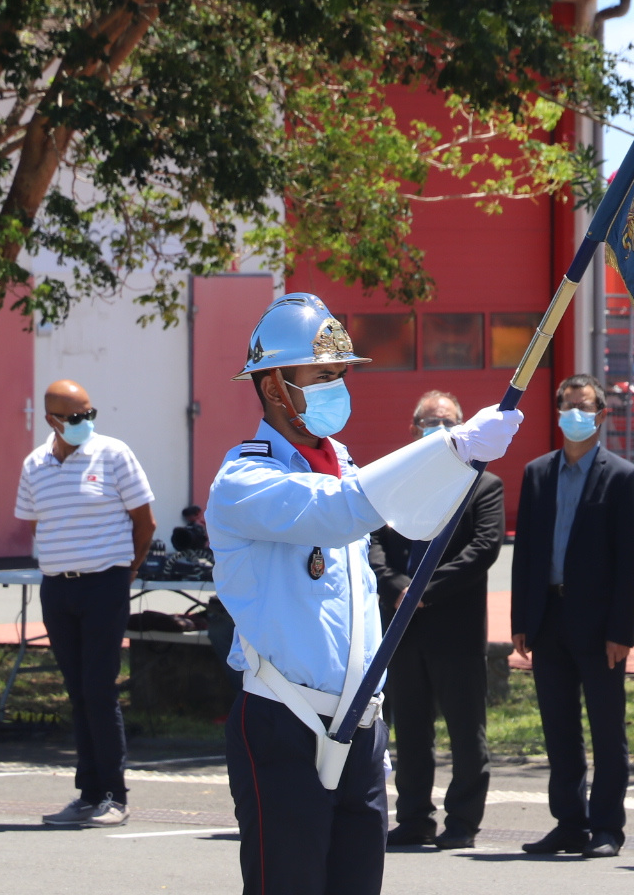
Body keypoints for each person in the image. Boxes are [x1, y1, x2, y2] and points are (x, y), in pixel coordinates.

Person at [206, 293, 522, 895]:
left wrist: (462, 465)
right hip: (284, 718)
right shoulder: (244, 479)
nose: (337, 388)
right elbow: (340, 512)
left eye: (340, 375)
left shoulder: (344, 464)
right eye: (322, 377)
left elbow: (410, 517)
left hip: (360, 723)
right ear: (274, 386)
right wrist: (450, 446)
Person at [510, 373, 634, 858]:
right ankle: (569, 822)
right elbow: (526, 550)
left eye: (584, 407)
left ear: (602, 415)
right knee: (559, 728)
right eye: (567, 406)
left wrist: (622, 630)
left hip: (600, 626)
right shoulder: (537, 473)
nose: (575, 415)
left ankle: (607, 826)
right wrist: (521, 621)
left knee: (608, 729)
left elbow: (632, 563)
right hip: (549, 619)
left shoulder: (623, 477)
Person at [15, 379, 156, 828]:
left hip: (104, 586)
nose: (85, 423)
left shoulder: (114, 454)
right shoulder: (34, 465)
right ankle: (88, 792)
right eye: (75, 417)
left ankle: (114, 794)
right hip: (58, 589)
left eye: (90, 414)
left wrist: (126, 570)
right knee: (77, 693)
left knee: (99, 689)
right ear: (52, 420)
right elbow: (37, 524)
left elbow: (145, 522)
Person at [372, 390, 506, 850]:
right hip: (402, 631)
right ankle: (413, 818)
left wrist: (423, 591)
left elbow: (484, 548)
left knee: (466, 733)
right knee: (409, 731)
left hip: (456, 629)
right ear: (414, 430)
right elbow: (375, 547)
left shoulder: (483, 485)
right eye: (429, 423)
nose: (438, 430)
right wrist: (397, 588)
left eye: (447, 422)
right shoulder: (397, 480)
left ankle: (463, 821)